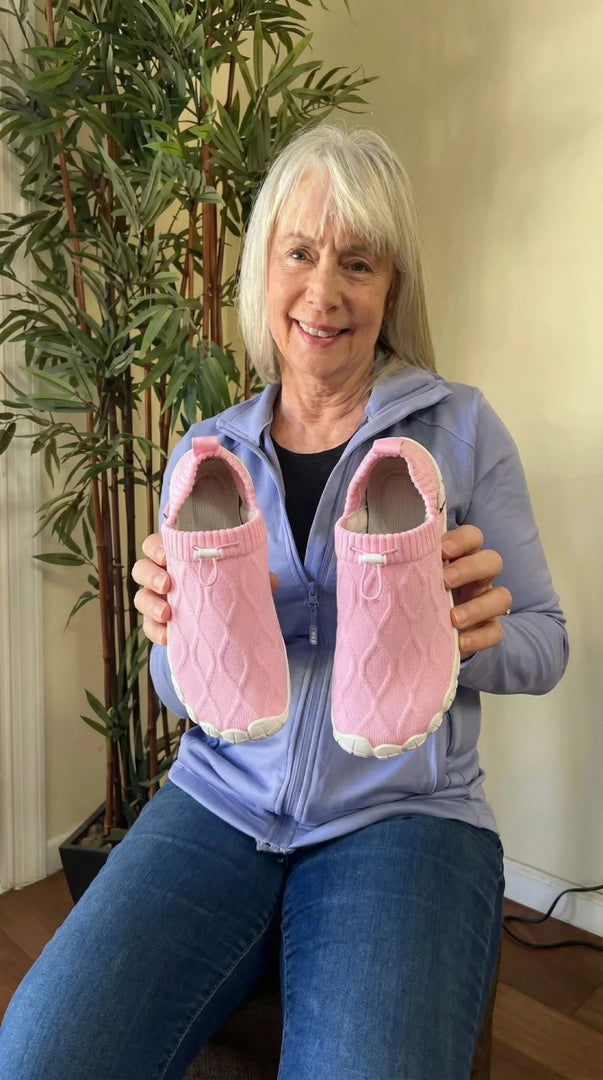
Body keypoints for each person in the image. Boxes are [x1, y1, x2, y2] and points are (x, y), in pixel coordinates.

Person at [0, 125, 568, 1080]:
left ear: (391, 287)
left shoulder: (460, 429)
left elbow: (546, 645)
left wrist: (468, 636)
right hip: (215, 800)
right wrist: (167, 635)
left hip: (405, 813)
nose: (323, 290)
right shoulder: (208, 453)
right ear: (262, 268)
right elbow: (180, 693)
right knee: (41, 1055)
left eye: (358, 262)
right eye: (299, 253)